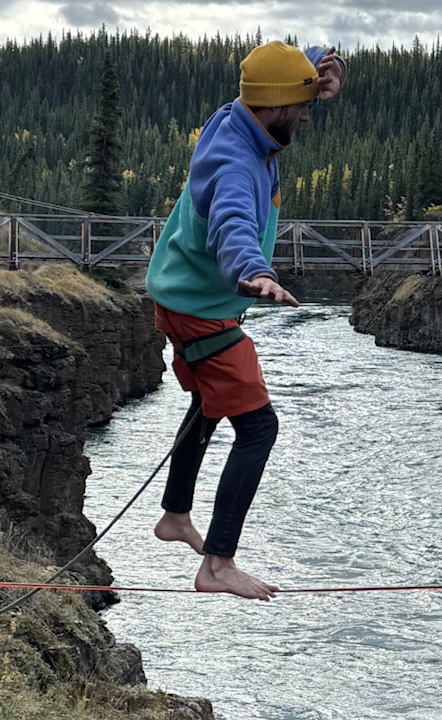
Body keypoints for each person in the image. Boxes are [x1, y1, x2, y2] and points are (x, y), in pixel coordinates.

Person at [144, 41, 345, 600]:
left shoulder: (235, 117)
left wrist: (318, 61)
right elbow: (233, 223)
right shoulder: (235, 166)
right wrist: (254, 273)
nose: (308, 115)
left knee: (208, 403)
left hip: (183, 297)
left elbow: (275, 80)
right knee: (259, 429)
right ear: (276, 105)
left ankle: (175, 516)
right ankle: (217, 565)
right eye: (302, 105)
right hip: (203, 311)